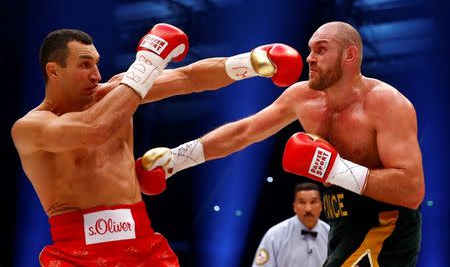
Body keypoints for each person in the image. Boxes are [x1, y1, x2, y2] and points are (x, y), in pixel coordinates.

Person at [11, 23, 302, 266]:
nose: (96, 75)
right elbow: (95, 129)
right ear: (53, 71)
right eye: (84, 65)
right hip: (78, 254)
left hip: (143, 244)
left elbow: (189, 78)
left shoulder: (117, 92)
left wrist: (249, 63)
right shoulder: (31, 128)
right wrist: (148, 60)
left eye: (96, 64)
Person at [140, 21, 425, 266]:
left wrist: (334, 170)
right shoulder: (302, 98)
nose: (310, 58)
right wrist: (177, 159)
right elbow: (245, 131)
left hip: (386, 224)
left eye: (321, 49)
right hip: (340, 221)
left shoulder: (386, 103)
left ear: (350, 55)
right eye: (310, 49)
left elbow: (412, 191)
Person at [252, 182, 329, 267]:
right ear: (294, 207)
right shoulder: (274, 235)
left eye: (313, 202)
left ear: (321, 206)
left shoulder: (331, 234)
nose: (308, 209)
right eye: (302, 202)